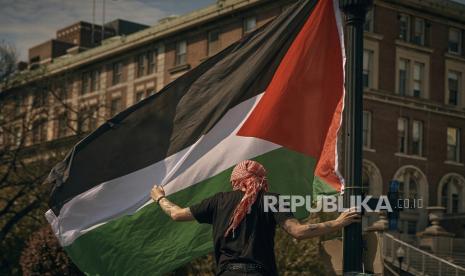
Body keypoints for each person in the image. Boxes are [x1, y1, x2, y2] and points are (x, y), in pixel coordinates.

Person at [151, 160, 360, 276]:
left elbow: (176, 214)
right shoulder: (271, 200)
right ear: (261, 180)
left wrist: (160, 197)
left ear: (235, 181)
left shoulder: (218, 201)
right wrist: (339, 222)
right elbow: (298, 231)